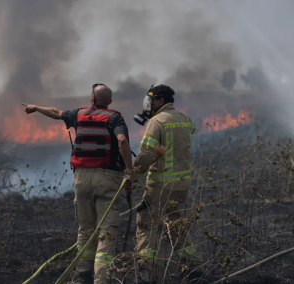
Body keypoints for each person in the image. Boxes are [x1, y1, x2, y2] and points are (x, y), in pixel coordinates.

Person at [22, 83, 133, 284]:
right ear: (109, 101)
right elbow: (123, 141)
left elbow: (56, 112)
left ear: (92, 99)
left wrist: (36, 107)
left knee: (86, 229)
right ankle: (101, 279)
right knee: (107, 231)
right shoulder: (114, 117)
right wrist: (130, 171)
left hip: (81, 179)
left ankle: (82, 276)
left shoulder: (79, 114)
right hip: (106, 178)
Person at [130, 84, 202, 283]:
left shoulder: (156, 122)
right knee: (176, 223)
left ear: (160, 101)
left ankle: (146, 274)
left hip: (160, 185)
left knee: (147, 224)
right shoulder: (185, 119)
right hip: (181, 184)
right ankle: (194, 268)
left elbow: (145, 155)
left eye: (151, 101)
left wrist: (132, 178)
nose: (148, 105)